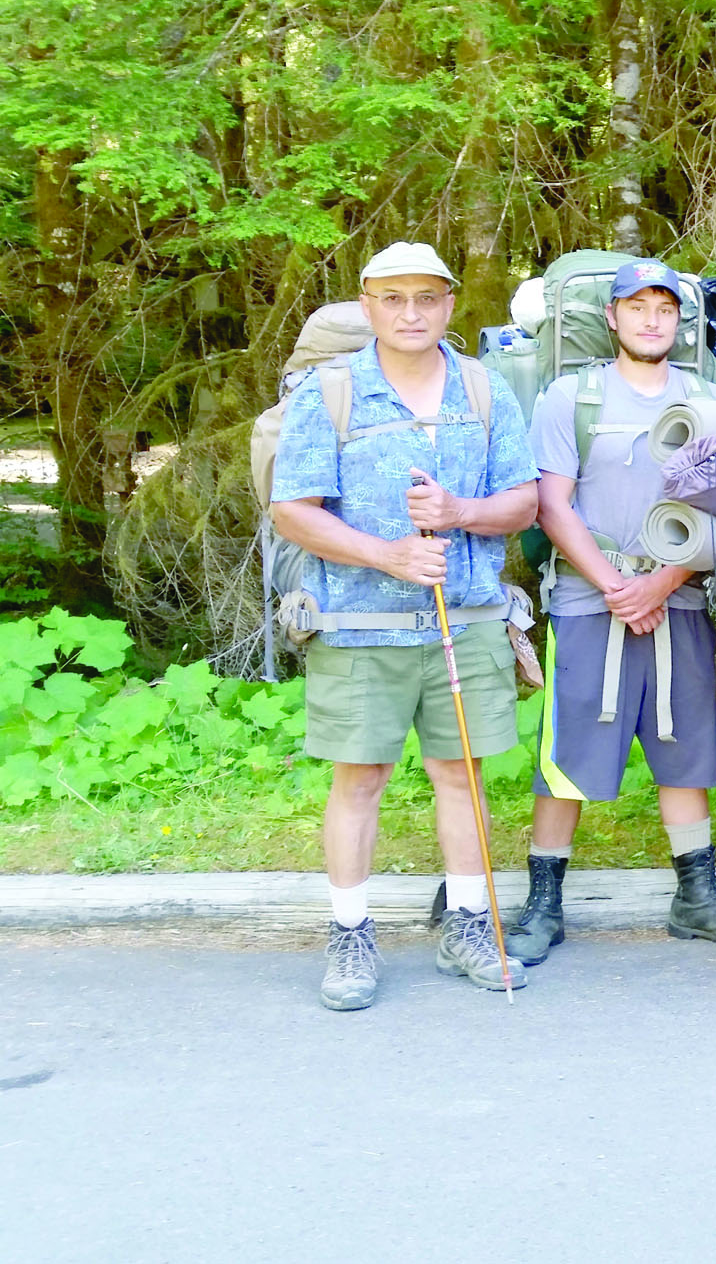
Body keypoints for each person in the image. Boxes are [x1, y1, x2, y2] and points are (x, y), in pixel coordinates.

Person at [269, 241, 538, 1010]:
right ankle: (349, 933)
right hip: (358, 628)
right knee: (361, 779)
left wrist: (459, 514)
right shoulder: (331, 394)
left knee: (462, 775)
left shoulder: (485, 392)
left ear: (451, 302)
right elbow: (294, 511)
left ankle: (467, 922)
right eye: (393, 298)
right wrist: (388, 555)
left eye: (427, 297)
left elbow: (522, 503)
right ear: (367, 304)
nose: (411, 313)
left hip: (469, 623)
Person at [506, 258, 716, 965]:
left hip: (679, 596)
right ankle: (543, 904)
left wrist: (662, 581)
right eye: (637, 307)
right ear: (613, 316)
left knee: (685, 748)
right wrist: (617, 586)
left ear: (679, 320)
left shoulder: (711, 399)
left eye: (664, 308)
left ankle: (697, 896)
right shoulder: (572, 397)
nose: (651, 319)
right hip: (589, 603)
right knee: (569, 755)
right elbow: (552, 504)